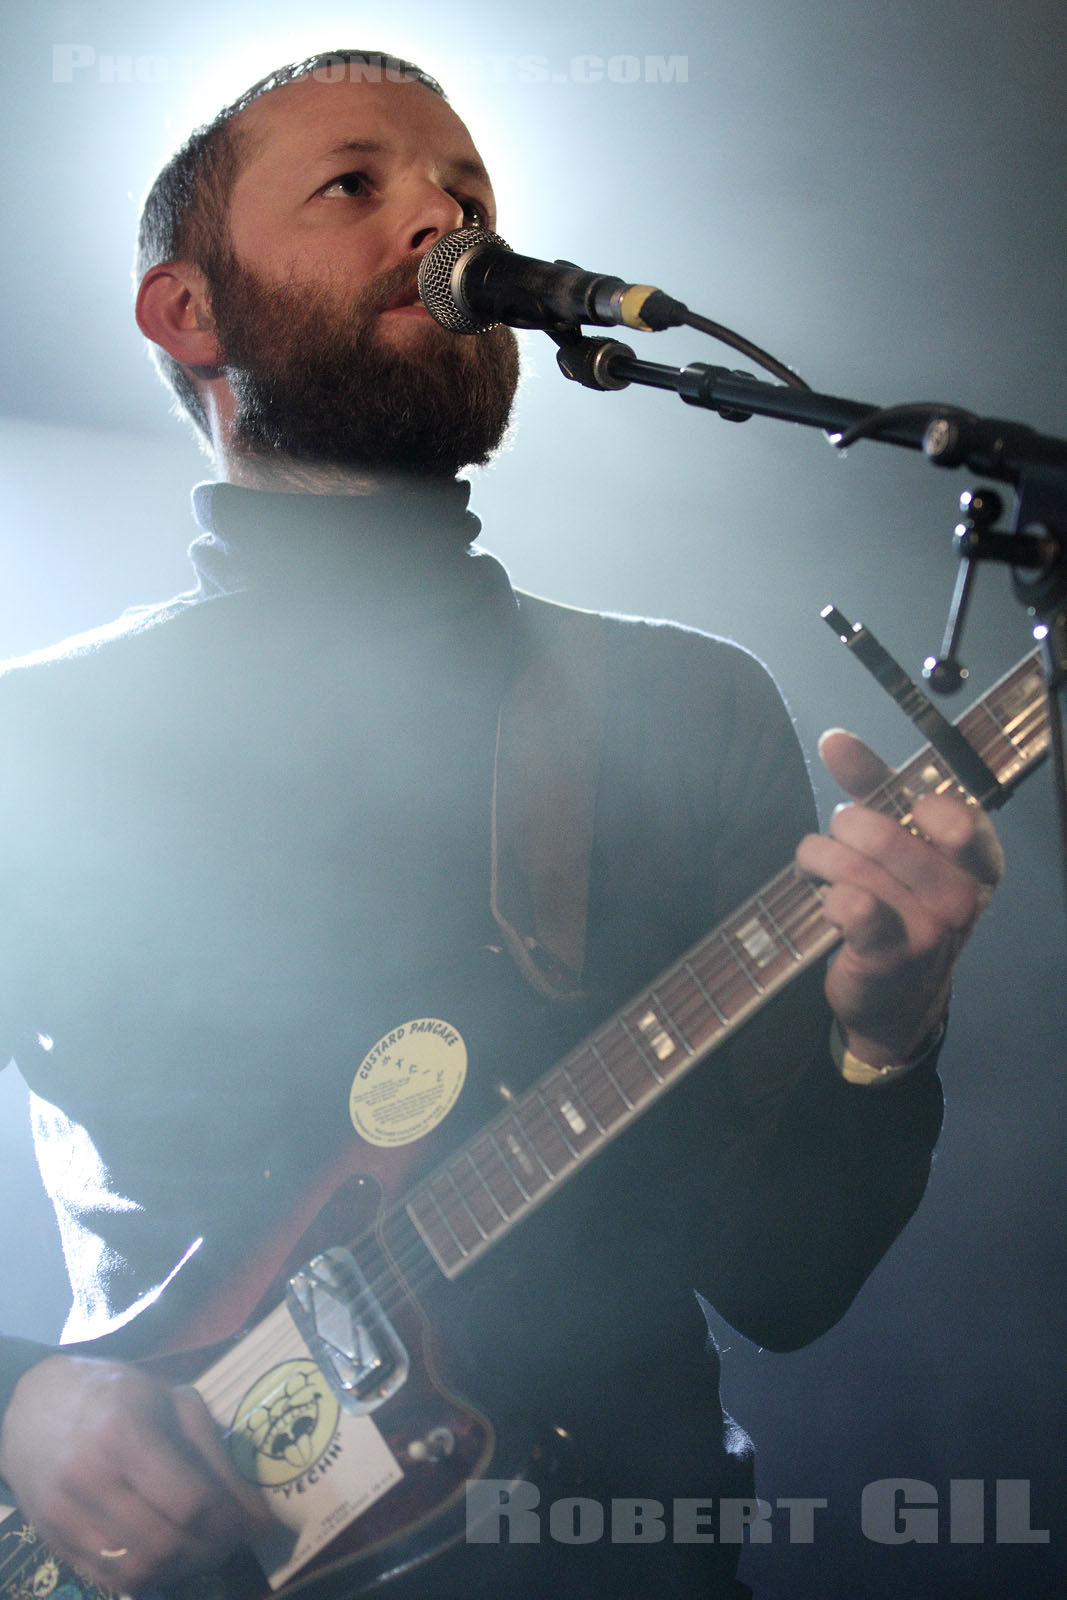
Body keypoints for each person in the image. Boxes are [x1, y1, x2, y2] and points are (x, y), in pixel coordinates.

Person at [0, 50, 1002, 1600]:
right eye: (357, 185)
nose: (438, 219)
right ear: (187, 312)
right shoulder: (35, 742)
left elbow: (784, 1283)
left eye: (465, 193)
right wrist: (18, 1398)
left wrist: (890, 1028)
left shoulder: (683, 705)